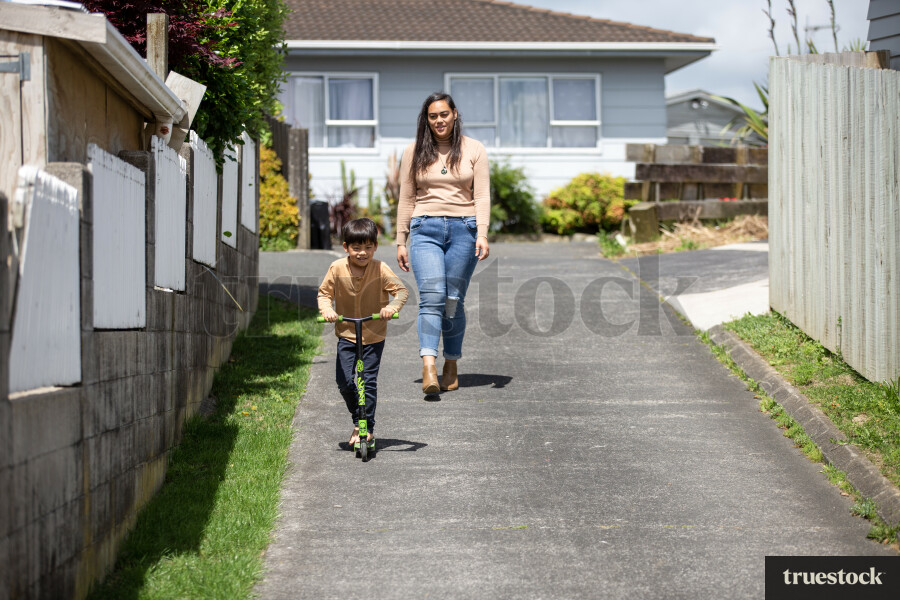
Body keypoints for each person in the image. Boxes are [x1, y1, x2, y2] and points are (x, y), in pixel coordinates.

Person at [395, 92, 490, 394]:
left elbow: (482, 195)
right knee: (432, 296)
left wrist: (484, 232)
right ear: (427, 119)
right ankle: (429, 364)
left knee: (453, 300)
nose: (439, 121)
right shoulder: (414, 151)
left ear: (455, 114)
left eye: (444, 114)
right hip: (425, 229)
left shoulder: (474, 149)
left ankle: (452, 362)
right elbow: (407, 197)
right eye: (433, 116)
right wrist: (401, 239)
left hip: (465, 229)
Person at [318, 218, 408, 447]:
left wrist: (391, 308)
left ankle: (366, 427)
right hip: (347, 333)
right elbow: (324, 294)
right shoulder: (337, 268)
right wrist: (327, 311)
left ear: (375, 247)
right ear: (346, 247)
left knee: (367, 382)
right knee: (345, 381)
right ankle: (358, 421)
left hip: (373, 334)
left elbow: (401, 291)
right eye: (356, 248)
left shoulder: (380, 268)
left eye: (368, 247)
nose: (362, 253)